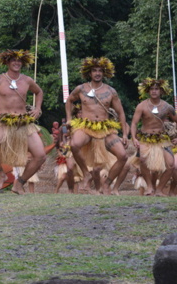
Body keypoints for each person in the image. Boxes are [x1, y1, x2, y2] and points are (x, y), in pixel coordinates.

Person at [0, 49, 46, 194]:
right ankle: (1, 174)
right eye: (13, 60)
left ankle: (19, 183)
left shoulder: (27, 80)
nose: (17, 63)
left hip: (23, 124)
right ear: (7, 62)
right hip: (3, 122)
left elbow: (39, 92)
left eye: (19, 61)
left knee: (40, 156)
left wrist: (37, 109)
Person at [65, 57, 129, 195]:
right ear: (90, 73)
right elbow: (69, 100)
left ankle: (107, 184)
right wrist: (69, 119)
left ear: (104, 73)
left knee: (123, 156)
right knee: (74, 145)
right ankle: (86, 174)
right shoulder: (81, 88)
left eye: (100, 71)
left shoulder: (111, 91)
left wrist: (124, 134)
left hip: (105, 128)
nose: (97, 73)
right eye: (94, 71)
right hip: (86, 127)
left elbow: (121, 113)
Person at [129, 78, 177, 196]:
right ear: (148, 91)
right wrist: (134, 138)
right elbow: (134, 123)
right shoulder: (142, 106)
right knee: (143, 160)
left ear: (161, 91)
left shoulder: (167, 107)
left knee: (170, 165)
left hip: (163, 139)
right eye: (152, 89)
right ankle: (150, 187)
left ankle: (159, 189)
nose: (154, 91)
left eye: (157, 89)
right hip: (146, 138)